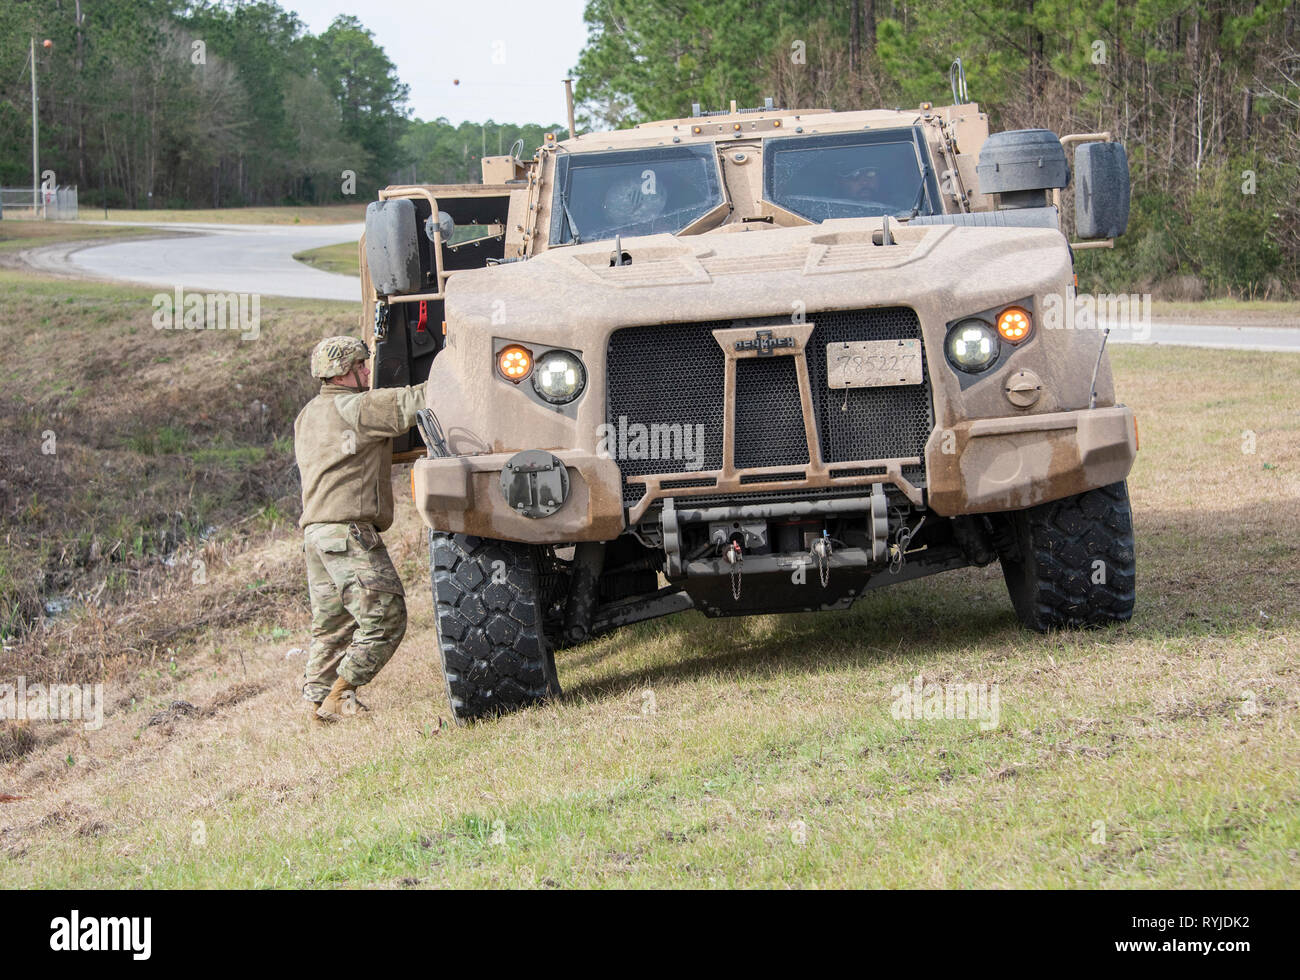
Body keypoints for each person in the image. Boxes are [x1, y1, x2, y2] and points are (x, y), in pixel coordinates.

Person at [294, 336, 425, 723]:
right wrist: (461, 368)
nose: (368, 372)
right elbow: (413, 402)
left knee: (332, 627)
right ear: (344, 372)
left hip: (316, 536)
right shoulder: (356, 408)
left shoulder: (307, 414)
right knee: (387, 616)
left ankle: (315, 708)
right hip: (346, 534)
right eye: (361, 366)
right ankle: (340, 695)